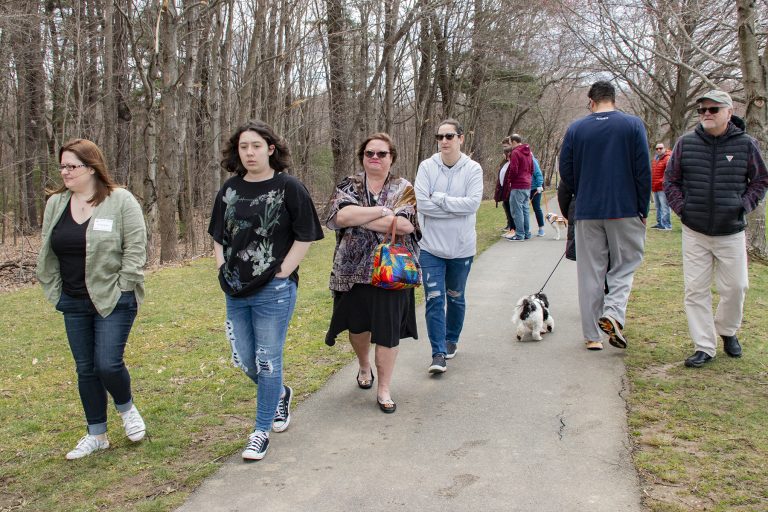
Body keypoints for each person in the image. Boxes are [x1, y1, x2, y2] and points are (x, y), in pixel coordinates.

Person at [208, 120, 323, 460]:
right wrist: (220, 268)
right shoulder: (230, 189)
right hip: (235, 288)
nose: (249, 152)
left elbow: (306, 234)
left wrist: (283, 272)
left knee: (268, 360)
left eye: (256, 146)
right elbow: (218, 235)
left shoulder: (289, 187)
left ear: (270, 149)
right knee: (244, 359)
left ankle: (259, 431)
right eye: (244, 147)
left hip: (274, 291)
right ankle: (280, 394)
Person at [36, 138, 148, 459]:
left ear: (92, 167)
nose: (65, 172)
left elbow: (136, 249)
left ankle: (127, 410)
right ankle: (96, 434)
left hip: (114, 298)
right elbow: (49, 249)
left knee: (107, 363)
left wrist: (125, 285)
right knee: (85, 369)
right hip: (72, 300)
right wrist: (56, 292)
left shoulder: (120, 200)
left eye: (72, 166)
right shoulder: (56, 204)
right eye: (62, 166)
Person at [664, 90, 768, 368]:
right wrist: (683, 208)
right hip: (695, 230)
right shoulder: (686, 143)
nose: (706, 114)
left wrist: (742, 206)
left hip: (731, 229)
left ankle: (727, 330)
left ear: (729, 112)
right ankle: (704, 346)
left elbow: (760, 181)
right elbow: (670, 181)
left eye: (713, 109)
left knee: (736, 287)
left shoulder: (746, 144)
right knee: (695, 290)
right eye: (702, 110)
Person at [325, 132, 420, 414]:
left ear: (392, 158)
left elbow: (405, 226)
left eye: (381, 154)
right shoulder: (349, 185)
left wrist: (360, 216)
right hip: (352, 272)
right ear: (362, 157)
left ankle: (384, 388)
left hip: (392, 273)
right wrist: (382, 212)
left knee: (388, 332)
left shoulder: (404, 187)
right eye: (369, 153)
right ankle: (364, 366)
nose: (375, 158)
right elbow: (338, 217)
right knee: (357, 328)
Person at [559, 80, 651, 351]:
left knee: (590, 272)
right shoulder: (632, 125)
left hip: (588, 210)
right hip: (624, 208)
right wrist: (642, 208)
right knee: (625, 264)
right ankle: (612, 313)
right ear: (614, 98)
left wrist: (582, 192)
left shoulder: (576, 128)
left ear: (591, 101)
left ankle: (592, 336)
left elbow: (567, 172)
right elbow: (642, 171)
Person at [414, 119, 483, 373]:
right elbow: (422, 204)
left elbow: (473, 205)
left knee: (455, 297)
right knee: (434, 298)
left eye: (450, 136)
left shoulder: (473, 169)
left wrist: (440, 199)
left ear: (461, 139)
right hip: (430, 247)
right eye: (440, 136)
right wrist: (455, 208)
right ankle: (438, 353)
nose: (444, 141)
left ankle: (451, 339)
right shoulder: (427, 167)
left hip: (461, 248)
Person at [504, 134, 534, 241]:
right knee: (525, 209)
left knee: (517, 211)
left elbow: (514, 169)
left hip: (518, 185)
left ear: (514, 142)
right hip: (527, 184)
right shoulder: (529, 152)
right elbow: (532, 168)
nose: (510, 144)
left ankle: (520, 234)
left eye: (510, 142)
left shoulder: (515, 152)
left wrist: (510, 181)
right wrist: (528, 178)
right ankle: (527, 233)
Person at [494, 137, 516, 239]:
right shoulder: (505, 163)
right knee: (507, 208)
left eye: (505, 152)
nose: (503, 155)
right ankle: (510, 228)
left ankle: (513, 229)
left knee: (512, 211)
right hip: (504, 190)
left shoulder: (512, 164)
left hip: (510, 191)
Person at [651, 142, 672, 230]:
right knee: (658, 206)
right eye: (657, 149)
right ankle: (660, 223)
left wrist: (663, 182)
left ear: (664, 148)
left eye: (660, 148)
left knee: (664, 206)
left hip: (663, 187)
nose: (659, 150)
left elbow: (669, 173)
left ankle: (667, 225)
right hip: (655, 187)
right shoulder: (656, 159)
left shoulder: (667, 158)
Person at [530, 155, 546, 237]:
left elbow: (538, 173)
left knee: (536, 208)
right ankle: (526, 229)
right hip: (525, 188)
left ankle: (541, 228)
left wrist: (540, 185)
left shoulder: (532, 160)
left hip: (535, 188)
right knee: (524, 209)